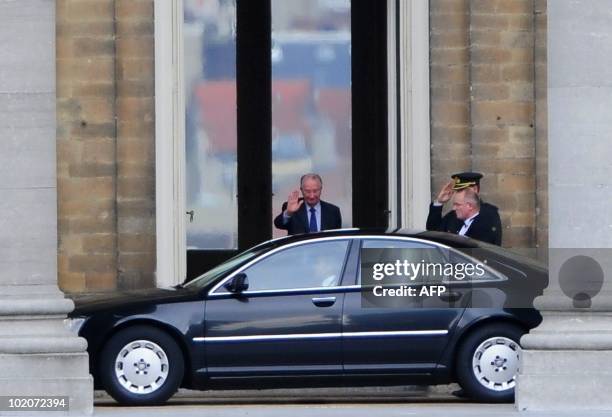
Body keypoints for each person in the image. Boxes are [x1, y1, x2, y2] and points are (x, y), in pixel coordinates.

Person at [426, 172, 502, 245]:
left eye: (462, 190)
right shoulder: (454, 214)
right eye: (457, 191)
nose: (457, 193)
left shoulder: (488, 213)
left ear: (475, 189)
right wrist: (439, 202)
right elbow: (433, 232)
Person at [274, 173, 342, 235]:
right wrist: (288, 213)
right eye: (307, 191)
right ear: (301, 190)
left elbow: (337, 238)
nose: (311, 196)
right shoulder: (292, 207)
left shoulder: (333, 211)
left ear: (321, 189)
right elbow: (278, 224)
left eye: (315, 191)